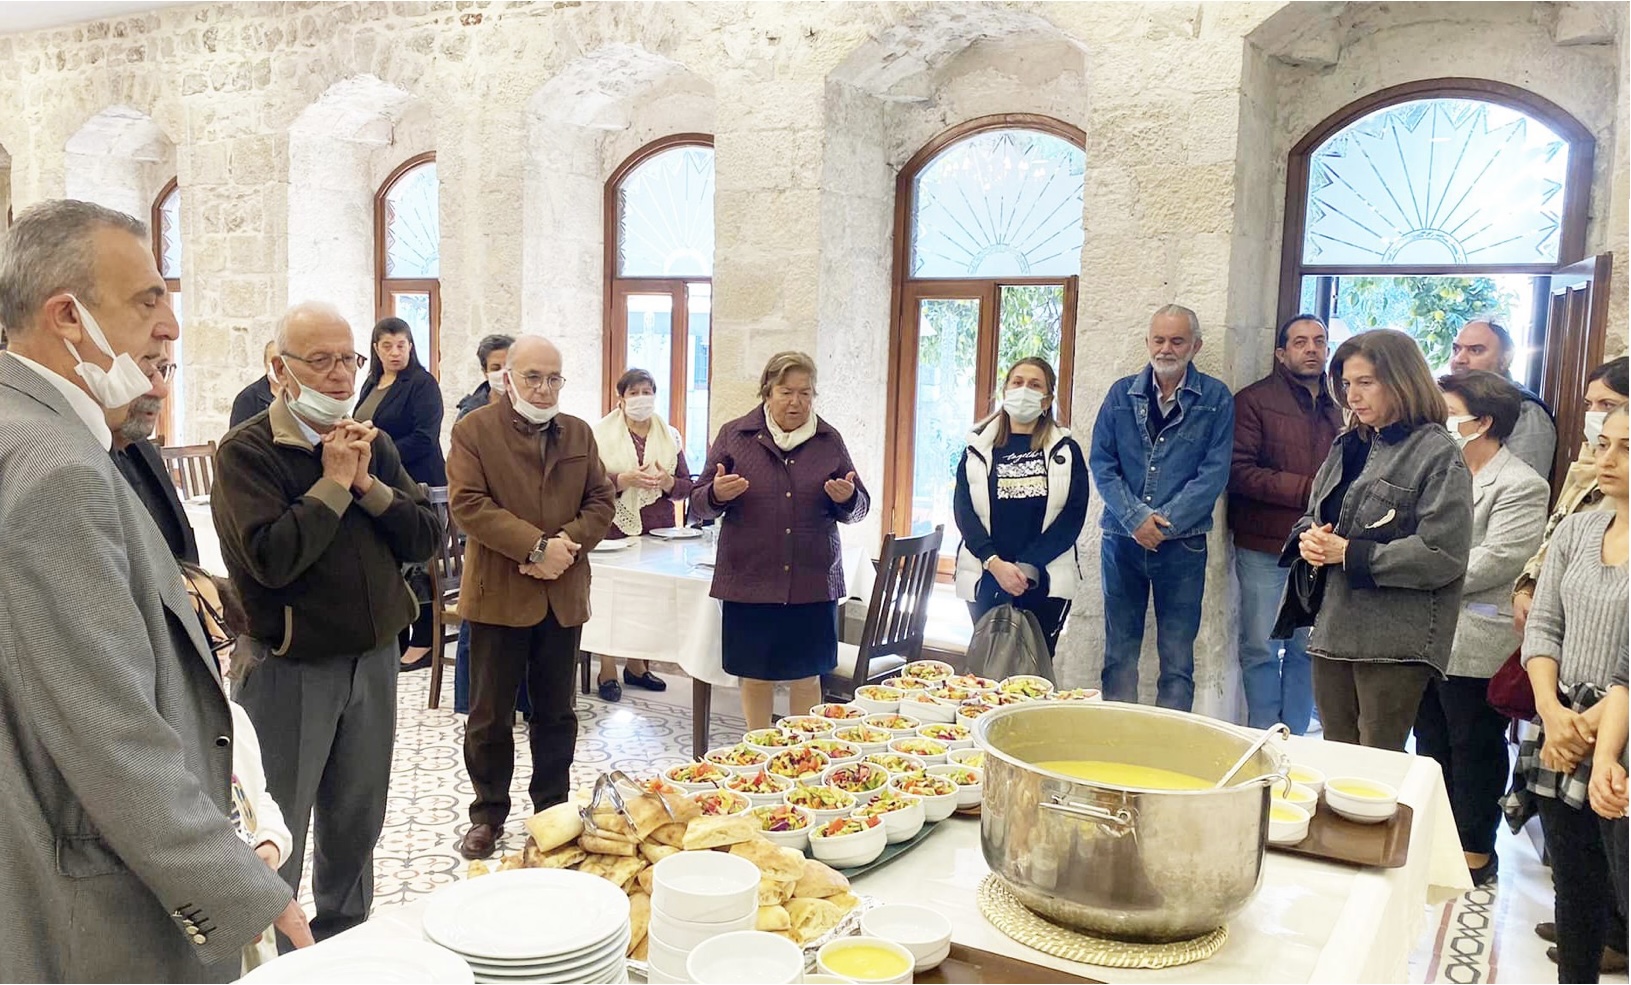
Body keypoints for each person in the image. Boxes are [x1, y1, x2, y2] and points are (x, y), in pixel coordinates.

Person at [0, 199, 304, 981]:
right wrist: (246, 888)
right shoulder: (56, 468)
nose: (169, 325)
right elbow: (107, 728)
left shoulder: (40, 431)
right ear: (67, 316)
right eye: (146, 302)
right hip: (100, 896)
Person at [213, 300, 439, 947]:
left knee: (356, 819)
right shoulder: (246, 451)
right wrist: (333, 485)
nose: (342, 375)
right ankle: (282, 955)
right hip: (292, 668)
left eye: (349, 359)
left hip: (372, 660)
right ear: (282, 370)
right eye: (323, 360)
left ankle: (344, 944)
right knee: (279, 823)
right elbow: (271, 559)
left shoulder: (373, 442)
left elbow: (425, 534)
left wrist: (369, 486)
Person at [448, 335, 614, 860]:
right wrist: (534, 546)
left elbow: (601, 498)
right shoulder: (474, 431)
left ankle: (552, 810)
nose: (544, 389)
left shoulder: (580, 434)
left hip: (561, 595)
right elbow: (468, 505)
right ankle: (487, 813)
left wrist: (563, 545)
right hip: (498, 594)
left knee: (557, 712)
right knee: (490, 714)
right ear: (507, 379)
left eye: (554, 378)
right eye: (533, 378)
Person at [1276, 329, 1472, 750]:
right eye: (1346, 384)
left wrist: (1350, 553)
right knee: (1335, 751)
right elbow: (1315, 513)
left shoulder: (1437, 453)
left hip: (1393, 639)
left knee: (1377, 763)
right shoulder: (1348, 442)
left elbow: (1443, 555)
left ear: (1402, 381)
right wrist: (1308, 540)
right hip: (1332, 625)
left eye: (1366, 383)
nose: (1352, 397)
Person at [1413, 371, 1549, 887]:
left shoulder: (1520, 484)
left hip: (1476, 635)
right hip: (1424, 631)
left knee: (1473, 743)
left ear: (1484, 422)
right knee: (1430, 738)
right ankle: (1435, 835)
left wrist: (1413, 571)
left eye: (1449, 414)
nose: (1440, 424)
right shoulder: (1438, 471)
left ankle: (1474, 847)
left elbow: (1498, 560)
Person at [691, 351, 869, 730]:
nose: (797, 402)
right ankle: (760, 746)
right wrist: (717, 494)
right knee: (755, 674)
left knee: (807, 675)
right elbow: (697, 505)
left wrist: (847, 499)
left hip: (811, 581)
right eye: (787, 392)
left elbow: (861, 506)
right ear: (767, 393)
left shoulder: (828, 439)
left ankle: (803, 755)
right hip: (750, 578)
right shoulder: (734, 436)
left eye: (806, 393)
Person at [1522, 404, 1630, 984]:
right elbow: (1543, 626)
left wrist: (1585, 728)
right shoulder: (1580, 528)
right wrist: (1552, 711)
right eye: (1603, 443)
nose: (1605, 459)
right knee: (1576, 887)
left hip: (1616, 734)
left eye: (1626, 448)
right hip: (1561, 722)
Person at [1088, 304, 1234, 710]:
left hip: (1183, 547)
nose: (1166, 349)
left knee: (1177, 659)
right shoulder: (1120, 394)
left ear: (1196, 345)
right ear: (1147, 342)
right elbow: (1102, 463)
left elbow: (1213, 474)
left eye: (1177, 340)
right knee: (1119, 654)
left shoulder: (1216, 399)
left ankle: (1169, 754)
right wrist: (1137, 519)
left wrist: (1162, 526)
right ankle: (1117, 744)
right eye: (1159, 339)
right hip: (1121, 542)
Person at [1228, 313, 1342, 733]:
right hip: (1265, 544)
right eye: (1299, 342)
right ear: (1281, 353)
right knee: (1260, 645)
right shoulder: (1254, 401)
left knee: (1305, 648)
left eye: (1319, 341)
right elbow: (1239, 472)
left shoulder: (1343, 407)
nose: (1311, 349)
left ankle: (1291, 738)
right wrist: (1310, 490)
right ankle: (1262, 735)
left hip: (1320, 547)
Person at [179, 564, 293, 974]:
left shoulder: (235, 719)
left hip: (254, 934)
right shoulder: (157, 749)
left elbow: (258, 798)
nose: (218, 636)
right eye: (195, 619)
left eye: (217, 616)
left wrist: (269, 844)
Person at [952, 356, 1088, 656]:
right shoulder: (977, 449)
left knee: (1035, 669)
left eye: (1035, 384)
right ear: (1005, 391)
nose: (1024, 389)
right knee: (988, 669)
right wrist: (994, 563)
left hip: (1044, 579)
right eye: (1017, 382)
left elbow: (1072, 516)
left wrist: (1027, 566)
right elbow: (964, 512)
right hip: (987, 575)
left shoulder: (1066, 451)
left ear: (1047, 399)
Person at [590, 367, 695, 700]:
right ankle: (607, 670)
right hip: (612, 530)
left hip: (658, 531)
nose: (640, 399)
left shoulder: (670, 436)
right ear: (620, 399)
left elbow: (686, 487)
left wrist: (666, 483)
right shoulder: (599, 435)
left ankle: (637, 667)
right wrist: (622, 481)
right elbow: (587, 485)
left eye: (646, 391)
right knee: (613, 598)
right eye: (633, 393)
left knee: (647, 599)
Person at [355, 317, 448, 671]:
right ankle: (397, 635)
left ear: (411, 346)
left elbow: (425, 438)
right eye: (387, 346)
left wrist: (380, 455)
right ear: (376, 349)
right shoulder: (371, 384)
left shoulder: (422, 384)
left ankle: (424, 640)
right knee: (390, 563)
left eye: (402, 345)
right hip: (378, 483)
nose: (395, 353)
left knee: (420, 565)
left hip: (416, 482)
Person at [1515, 357, 1630, 634]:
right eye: (1589, 405)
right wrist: (1527, 586)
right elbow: (1555, 530)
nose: (1593, 414)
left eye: (1607, 405)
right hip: (1554, 615)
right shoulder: (1587, 464)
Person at [452, 333, 526, 717]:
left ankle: (522, 701)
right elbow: (469, 487)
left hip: (526, 531)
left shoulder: (529, 411)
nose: (502, 375)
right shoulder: (471, 415)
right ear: (485, 372)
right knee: (477, 617)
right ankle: (471, 702)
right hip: (483, 530)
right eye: (494, 368)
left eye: (507, 368)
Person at [110, 342, 200, 564]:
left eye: (161, 370)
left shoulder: (141, 447)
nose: (161, 390)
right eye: (142, 372)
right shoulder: (74, 463)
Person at [1450, 318, 1557, 479]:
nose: (1459, 359)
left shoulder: (1526, 411)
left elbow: (1521, 485)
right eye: (1456, 349)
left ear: (1505, 359)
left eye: (1476, 350)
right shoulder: (1448, 403)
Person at [456, 333, 515, 422]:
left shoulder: (531, 406)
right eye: (496, 368)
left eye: (509, 366)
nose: (504, 373)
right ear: (485, 372)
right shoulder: (470, 414)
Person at [229, 339, 280, 427]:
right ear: (265, 364)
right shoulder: (248, 398)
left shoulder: (300, 393)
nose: (279, 367)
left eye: (283, 361)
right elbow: (238, 437)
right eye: (274, 362)